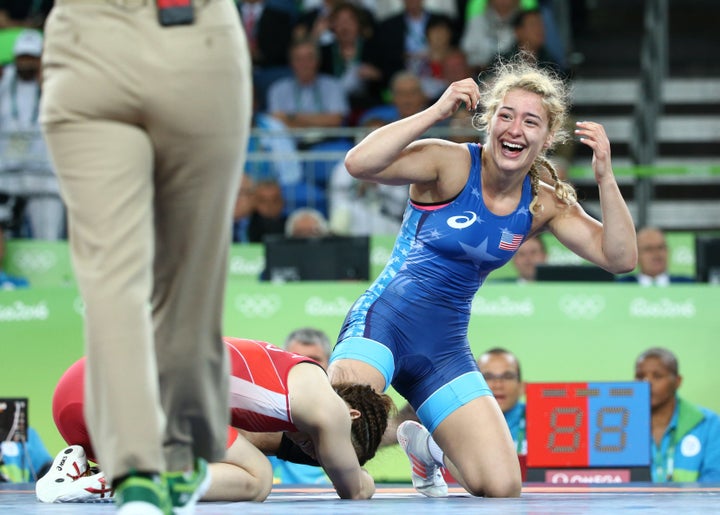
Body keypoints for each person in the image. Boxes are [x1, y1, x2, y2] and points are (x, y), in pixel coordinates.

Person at [327, 54, 637, 498]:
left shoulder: (542, 202)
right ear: (488, 122)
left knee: (502, 485)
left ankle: (427, 447)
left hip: (443, 348)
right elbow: (359, 164)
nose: (515, 129)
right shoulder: (449, 163)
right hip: (383, 322)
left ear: (547, 138)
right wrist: (436, 111)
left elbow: (620, 258)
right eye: (505, 116)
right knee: (347, 429)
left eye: (531, 122)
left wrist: (606, 178)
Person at [39, 2, 253, 513]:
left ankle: (136, 473)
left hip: (86, 37)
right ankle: (180, 458)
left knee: (111, 281)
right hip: (195, 34)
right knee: (189, 279)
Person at [36, 336, 394, 503]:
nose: (317, 453)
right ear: (351, 413)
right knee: (258, 480)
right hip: (118, 397)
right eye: (325, 450)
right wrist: (360, 473)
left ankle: (80, 473)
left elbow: (247, 445)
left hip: (80, 400)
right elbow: (356, 491)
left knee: (225, 460)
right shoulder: (327, 408)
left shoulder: (288, 384)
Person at [0, 29, 65, 240]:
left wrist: (46, 83)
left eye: (32, 58)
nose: (26, 63)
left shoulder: (57, 83)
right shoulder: (3, 83)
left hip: (45, 178)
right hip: (7, 176)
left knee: (47, 236)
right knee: (4, 235)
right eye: (22, 57)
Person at [634, 347, 720, 482]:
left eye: (657, 376)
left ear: (677, 381)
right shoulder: (623, 425)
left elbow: (716, 478)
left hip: (696, 503)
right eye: (640, 377)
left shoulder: (709, 423)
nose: (647, 383)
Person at [268, 327, 334, 484]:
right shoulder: (264, 407)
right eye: (296, 358)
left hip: (333, 500)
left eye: (314, 360)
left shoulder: (349, 412)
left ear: (330, 363)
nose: (306, 367)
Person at [617, 227, 694, 286]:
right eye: (649, 249)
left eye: (660, 247)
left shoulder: (690, 285)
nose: (656, 254)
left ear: (668, 251)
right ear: (636, 255)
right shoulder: (620, 286)